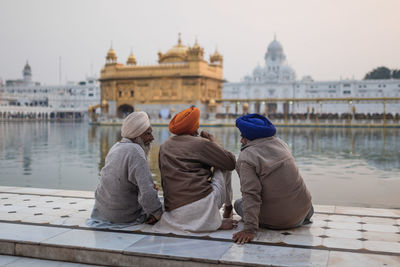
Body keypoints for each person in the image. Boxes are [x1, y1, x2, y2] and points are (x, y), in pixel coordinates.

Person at [232, 113, 313, 244]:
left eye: (243, 137)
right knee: (295, 199)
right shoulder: (281, 144)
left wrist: (249, 230)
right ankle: (299, 217)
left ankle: (281, 220)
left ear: (250, 137)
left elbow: (251, 194)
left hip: (280, 221)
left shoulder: (247, 156)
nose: (241, 141)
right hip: (305, 211)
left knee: (238, 203)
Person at [153, 107, 237, 233]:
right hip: (203, 207)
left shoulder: (164, 146)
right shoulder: (201, 143)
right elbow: (231, 162)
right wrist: (213, 143)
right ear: (195, 126)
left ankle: (213, 217)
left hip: (174, 210)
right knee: (223, 164)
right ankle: (228, 209)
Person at [88, 111, 163, 227]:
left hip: (102, 210)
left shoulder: (116, 146)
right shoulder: (136, 152)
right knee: (162, 205)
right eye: (148, 134)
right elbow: (147, 193)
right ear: (137, 135)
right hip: (123, 216)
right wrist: (157, 214)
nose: (152, 138)